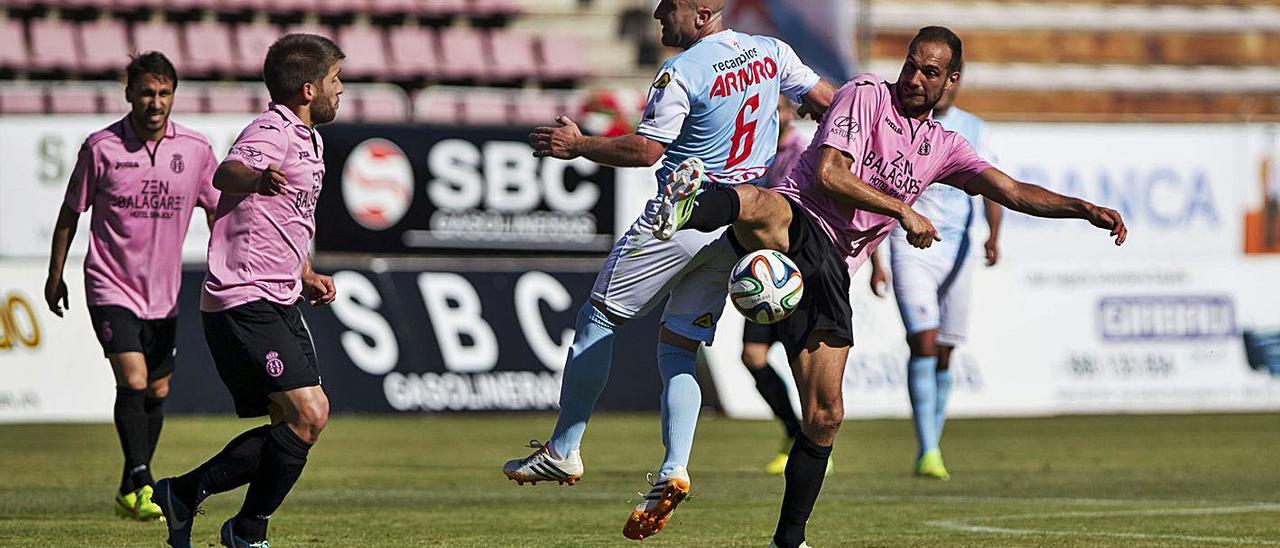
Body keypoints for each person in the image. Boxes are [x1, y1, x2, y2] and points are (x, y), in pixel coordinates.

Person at [664, 26, 1127, 548]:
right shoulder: (865, 94)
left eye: (929, 72)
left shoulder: (944, 147)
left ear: (950, 81)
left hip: (833, 270)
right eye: (911, 64)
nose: (914, 78)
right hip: (803, 217)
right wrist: (903, 209)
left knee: (824, 417)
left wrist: (1081, 209)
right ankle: (689, 203)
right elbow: (832, 173)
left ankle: (788, 541)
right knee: (767, 205)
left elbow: (1011, 190)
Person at [502, 0, 834, 540]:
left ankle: (564, 448)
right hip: (736, 229)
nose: (658, 15)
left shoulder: (683, 71)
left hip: (680, 215)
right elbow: (828, 101)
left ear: (703, 11)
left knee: (599, 319)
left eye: (670, 7)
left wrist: (578, 144)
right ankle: (674, 466)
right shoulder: (772, 52)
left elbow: (646, 149)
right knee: (678, 345)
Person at [153, 34, 342, 548]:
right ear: (308, 88)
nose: (340, 89)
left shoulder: (312, 140)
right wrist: (255, 179)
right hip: (243, 298)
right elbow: (228, 171)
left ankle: (186, 495)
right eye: (334, 80)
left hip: (281, 295)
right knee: (310, 412)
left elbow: (289, 219)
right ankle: (245, 528)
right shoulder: (270, 129)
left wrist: (305, 271)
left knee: (297, 423)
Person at [43, 51, 220, 523]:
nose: (155, 101)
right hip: (110, 283)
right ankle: (144, 482)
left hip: (162, 291)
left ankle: (127, 486)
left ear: (174, 95)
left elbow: (219, 211)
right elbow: (70, 213)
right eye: (146, 92)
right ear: (129, 94)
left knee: (158, 390)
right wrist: (55, 273)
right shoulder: (101, 148)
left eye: (164, 92)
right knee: (135, 380)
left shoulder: (197, 150)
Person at [866, 74, 1002, 481]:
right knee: (923, 342)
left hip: (956, 249)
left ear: (953, 81)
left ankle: (933, 444)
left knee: (945, 351)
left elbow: (995, 186)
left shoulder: (976, 129)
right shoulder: (899, 124)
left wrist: (994, 235)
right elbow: (880, 190)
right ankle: (928, 450)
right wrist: (877, 259)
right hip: (912, 246)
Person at [740, 96, 812, 476]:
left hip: (794, 272)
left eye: (783, 108)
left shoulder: (801, 152)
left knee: (801, 361)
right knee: (752, 356)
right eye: (773, 107)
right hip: (764, 270)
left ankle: (815, 444)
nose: (778, 114)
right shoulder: (758, 150)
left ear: (792, 112)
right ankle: (793, 430)